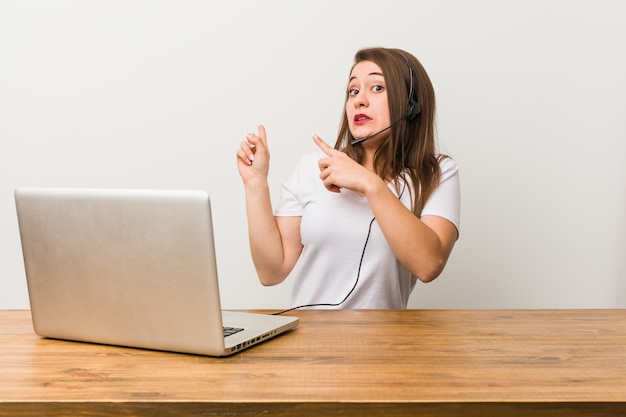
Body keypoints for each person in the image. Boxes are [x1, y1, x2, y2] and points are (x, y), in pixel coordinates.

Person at [236, 47, 460, 309]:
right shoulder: (311, 168)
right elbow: (271, 272)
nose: (359, 100)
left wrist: (369, 184)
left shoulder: (437, 173)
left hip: (387, 345)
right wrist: (256, 184)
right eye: (353, 90)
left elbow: (428, 265)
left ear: (410, 106)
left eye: (377, 88)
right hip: (309, 341)